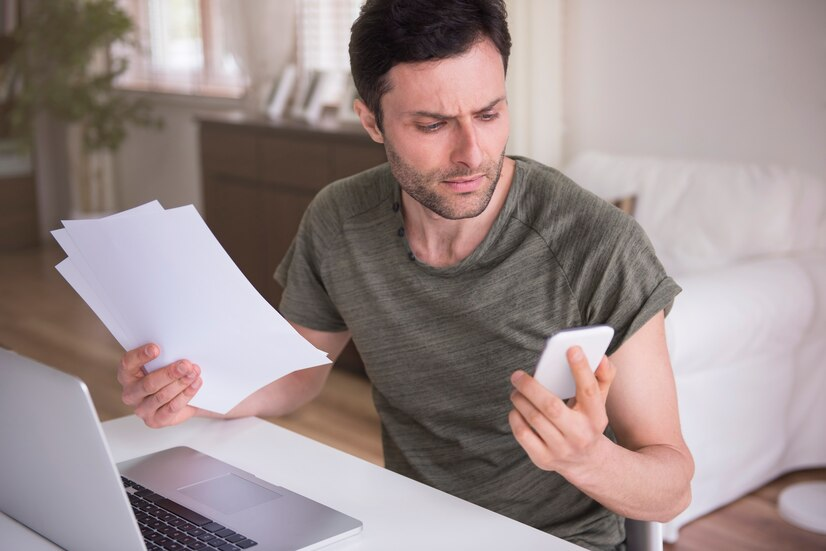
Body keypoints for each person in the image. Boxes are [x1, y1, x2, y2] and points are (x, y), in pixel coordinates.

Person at [118, 1, 694, 548]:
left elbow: (672, 487)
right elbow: (299, 373)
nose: (472, 153)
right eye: (432, 124)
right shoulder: (339, 220)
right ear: (371, 120)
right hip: (407, 525)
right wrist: (200, 393)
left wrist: (585, 457)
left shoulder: (599, 246)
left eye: (490, 114)